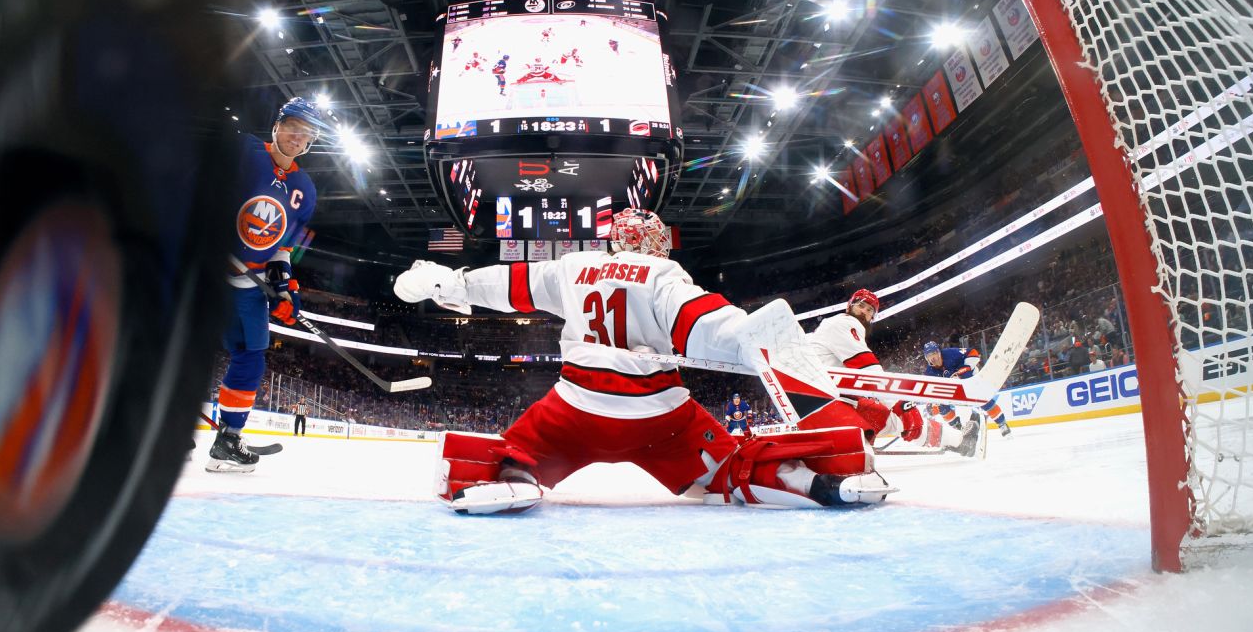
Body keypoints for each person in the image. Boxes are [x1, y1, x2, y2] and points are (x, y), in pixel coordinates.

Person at [392, 208, 892, 514]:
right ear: (656, 244)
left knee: (516, 456)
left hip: (575, 409)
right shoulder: (663, 274)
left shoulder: (573, 266)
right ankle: (819, 482)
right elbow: (699, 325)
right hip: (661, 416)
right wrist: (748, 335)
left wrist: (448, 283)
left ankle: (504, 480)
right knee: (729, 472)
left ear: (612, 239)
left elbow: (509, 286)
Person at [209, 97, 324, 472]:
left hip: (248, 284)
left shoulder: (305, 190)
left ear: (310, 142)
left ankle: (228, 438)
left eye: (306, 133)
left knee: (251, 357)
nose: (297, 136)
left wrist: (285, 286)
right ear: (277, 125)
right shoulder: (244, 151)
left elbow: (283, 249)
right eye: (293, 126)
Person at [807, 288, 923, 447]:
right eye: (861, 306)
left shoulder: (835, 325)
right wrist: (902, 404)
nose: (864, 312)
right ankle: (955, 440)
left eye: (870, 310)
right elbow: (869, 371)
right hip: (830, 406)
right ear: (849, 306)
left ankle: (956, 440)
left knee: (896, 422)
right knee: (899, 421)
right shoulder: (844, 322)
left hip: (830, 402)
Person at [923, 340, 1013, 439]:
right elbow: (931, 391)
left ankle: (1002, 424)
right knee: (941, 407)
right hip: (953, 388)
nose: (932, 357)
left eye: (934, 353)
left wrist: (961, 372)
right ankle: (959, 430)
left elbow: (974, 353)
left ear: (939, 352)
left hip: (969, 378)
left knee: (982, 399)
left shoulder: (950, 353)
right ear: (926, 358)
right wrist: (931, 404)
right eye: (929, 355)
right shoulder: (929, 372)